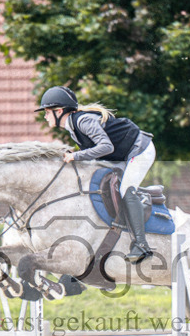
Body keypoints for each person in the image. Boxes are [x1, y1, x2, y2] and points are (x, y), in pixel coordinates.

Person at [36, 86, 156, 262]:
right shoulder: (73, 127)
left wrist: (75, 156)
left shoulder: (83, 121)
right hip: (123, 154)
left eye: (46, 112)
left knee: (125, 190)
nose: (45, 117)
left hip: (139, 150)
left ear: (59, 111)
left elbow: (106, 147)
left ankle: (142, 245)